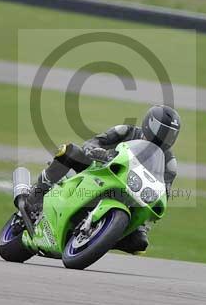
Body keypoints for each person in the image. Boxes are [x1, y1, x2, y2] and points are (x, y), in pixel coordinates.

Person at [24, 105, 180, 254]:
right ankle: (37, 193)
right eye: (163, 131)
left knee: (139, 243)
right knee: (71, 151)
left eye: (170, 134)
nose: (165, 138)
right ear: (149, 124)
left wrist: (146, 221)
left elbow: (163, 192)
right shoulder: (125, 131)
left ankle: (103, 236)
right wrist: (96, 151)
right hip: (100, 170)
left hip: (133, 194)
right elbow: (94, 142)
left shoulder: (169, 163)